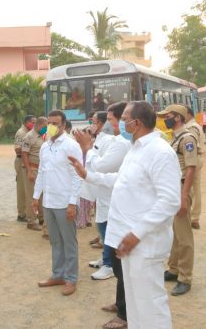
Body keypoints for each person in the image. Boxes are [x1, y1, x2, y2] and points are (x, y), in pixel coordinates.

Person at [70, 101, 181, 328]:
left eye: (124, 118)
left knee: (151, 303)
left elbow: (169, 201)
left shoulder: (160, 152)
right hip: (127, 238)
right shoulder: (136, 148)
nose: (120, 123)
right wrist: (87, 175)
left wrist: (137, 233)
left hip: (144, 242)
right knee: (134, 302)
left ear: (136, 123)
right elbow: (119, 180)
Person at [74, 104, 131, 329]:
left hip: (125, 212)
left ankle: (126, 314)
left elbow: (103, 166)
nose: (108, 124)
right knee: (119, 264)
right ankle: (121, 305)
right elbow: (109, 175)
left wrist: (88, 149)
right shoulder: (117, 141)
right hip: (112, 203)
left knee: (121, 265)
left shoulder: (128, 145)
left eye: (112, 119)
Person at [34, 110, 82, 296]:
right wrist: (36, 196)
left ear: (63, 126)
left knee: (69, 242)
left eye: (56, 123)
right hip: (49, 202)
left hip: (65, 202)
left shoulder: (71, 145)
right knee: (55, 241)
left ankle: (71, 279)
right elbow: (41, 172)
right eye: (50, 123)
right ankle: (58, 274)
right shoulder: (45, 146)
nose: (52, 127)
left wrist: (72, 203)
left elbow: (77, 177)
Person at [158, 105, 197, 296]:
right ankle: (173, 269)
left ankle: (185, 277)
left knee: (184, 236)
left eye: (168, 116)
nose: (165, 119)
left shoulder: (187, 138)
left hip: (182, 188)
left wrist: (183, 196)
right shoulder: (175, 138)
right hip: (174, 188)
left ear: (178, 118)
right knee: (174, 232)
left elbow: (191, 168)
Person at [21, 116, 48, 231]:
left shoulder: (43, 136)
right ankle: (31, 221)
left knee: (41, 195)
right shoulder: (29, 137)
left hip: (41, 169)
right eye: (45, 127)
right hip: (32, 168)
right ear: (39, 125)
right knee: (32, 195)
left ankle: (41, 218)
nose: (46, 129)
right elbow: (24, 154)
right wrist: (29, 171)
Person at [185, 106, 205, 229]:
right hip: (196, 158)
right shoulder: (194, 125)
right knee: (195, 189)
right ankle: (194, 217)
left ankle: (193, 217)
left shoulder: (191, 127)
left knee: (191, 189)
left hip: (193, 159)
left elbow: (191, 146)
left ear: (188, 114)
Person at [14, 115, 35, 222]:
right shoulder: (21, 133)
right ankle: (21, 214)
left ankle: (26, 212)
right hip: (21, 161)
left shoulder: (28, 132)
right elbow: (17, 149)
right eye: (33, 122)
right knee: (22, 189)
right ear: (27, 122)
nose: (34, 124)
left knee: (28, 189)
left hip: (25, 161)